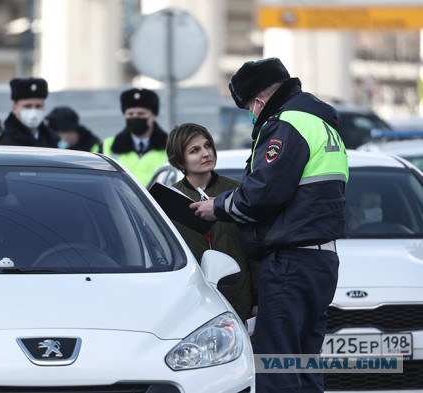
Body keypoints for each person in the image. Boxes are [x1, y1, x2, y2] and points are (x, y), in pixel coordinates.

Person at [190, 57, 348, 393]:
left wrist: (215, 206)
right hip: (319, 261)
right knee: (304, 363)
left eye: (249, 107)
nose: (251, 115)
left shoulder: (286, 124)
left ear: (259, 101)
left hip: (291, 262)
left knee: (277, 365)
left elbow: (261, 195)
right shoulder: (321, 123)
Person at [165, 122, 258, 322]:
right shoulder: (167, 200)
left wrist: (259, 297)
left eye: (208, 146)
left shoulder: (238, 192)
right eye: (195, 150)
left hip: (238, 297)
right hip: (190, 300)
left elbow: (256, 247)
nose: (206, 153)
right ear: (180, 161)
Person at [101, 88, 168, 186]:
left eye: (141, 114)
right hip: (120, 200)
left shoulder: (170, 146)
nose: (135, 117)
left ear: (153, 115)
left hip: (156, 201)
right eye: (130, 114)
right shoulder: (109, 145)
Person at [0, 77, 59, 147]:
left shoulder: (52, 139)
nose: (34, 111)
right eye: (27, 106)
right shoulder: (1, 143)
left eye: (38, 106)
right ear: (14, 108)